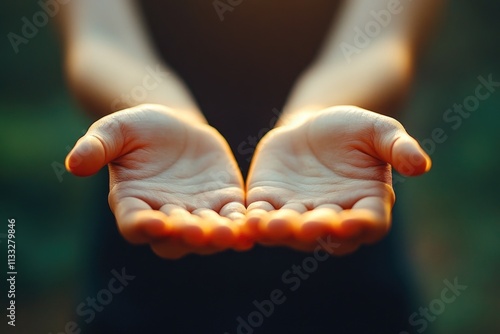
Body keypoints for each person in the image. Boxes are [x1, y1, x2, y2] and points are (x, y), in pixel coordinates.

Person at [59, 0, 444, 333]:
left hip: (338, 204)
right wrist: (163, 112)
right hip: (156, 203)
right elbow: (99, 40)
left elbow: (380, 43)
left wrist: (314, 114)